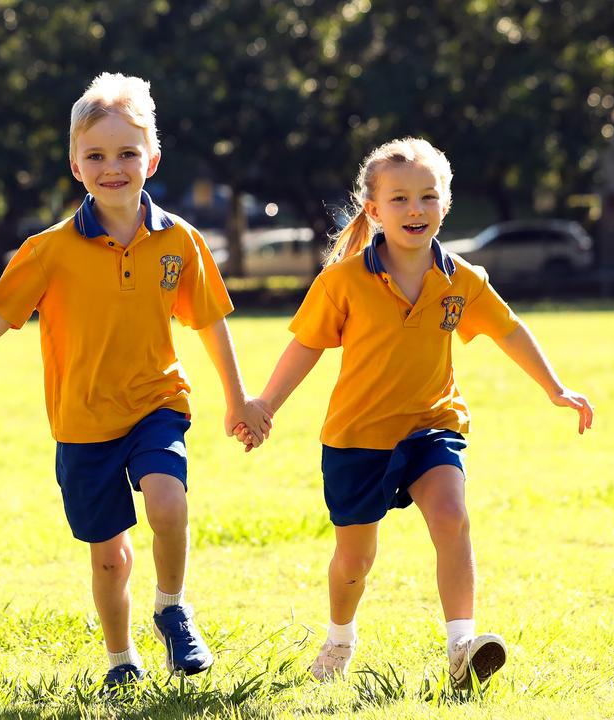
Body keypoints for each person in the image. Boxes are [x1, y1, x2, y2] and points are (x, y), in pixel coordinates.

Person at [0, 73, 271, 689]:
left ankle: (172, 607)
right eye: (96, 155)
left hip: (157, 403)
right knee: (109, 556)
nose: (112, 167)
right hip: (82, 421)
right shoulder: (50, 250)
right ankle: (122, 660)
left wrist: (239, 399)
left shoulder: (181, 240)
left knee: (168, 502)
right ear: (75, 164)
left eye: (127, 154)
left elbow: (210, 322)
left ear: (152, 157)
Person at [253, 137, 594, 688]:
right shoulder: (343, 281)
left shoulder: (462, 278)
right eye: (401, 199)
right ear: (374, 210)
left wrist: (555, 388)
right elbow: (306, 346)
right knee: (354, 562)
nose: (416, 209)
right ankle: (340, 638)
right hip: (357, 437)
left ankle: (462, 645)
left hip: (432, 426)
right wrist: (265, 404)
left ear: (446, 204)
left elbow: (509, 330)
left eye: (428, 197)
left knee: (452, 518)